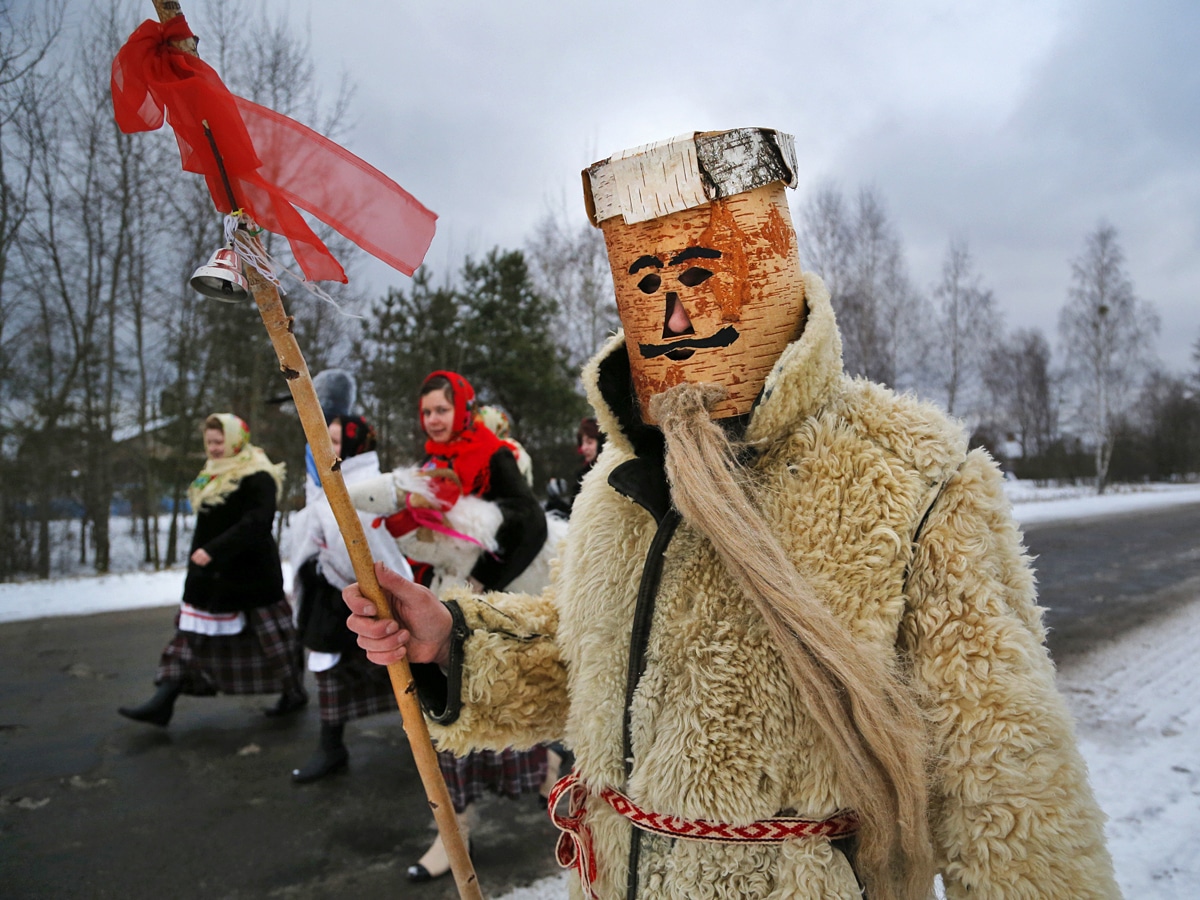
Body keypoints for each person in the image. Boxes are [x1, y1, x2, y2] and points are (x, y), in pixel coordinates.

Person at [344, 129, 1117, 899]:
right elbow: (591, 669)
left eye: (699, 274)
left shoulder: (914, 478)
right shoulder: (620, 480)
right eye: (646, 286)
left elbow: (1007, 783)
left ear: (771, 264)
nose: (674, 319)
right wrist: (454, 648)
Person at [404, 371, 550, 882]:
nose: (434, 420)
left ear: (462, 408)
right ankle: (453, 833)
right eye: (426, 412)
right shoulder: (431, 464)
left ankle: (546, 775)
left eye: (441, 410)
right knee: (441, 716)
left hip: (480, 603)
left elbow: (530, 520)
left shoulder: (492, 455)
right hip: (437, 599)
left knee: (497, 702)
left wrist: (485, 583)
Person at [119, 413, 306, 727]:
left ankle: (293, 692)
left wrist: (214, 550)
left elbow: (257, 523)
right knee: (190, 636)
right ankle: (163, 699)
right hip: (209, 577)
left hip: (250, 575)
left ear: (236, 440)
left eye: (220, 442)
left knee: (275, 642)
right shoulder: (211, 473)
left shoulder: (257, 474)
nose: (215, 448)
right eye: (210, 442)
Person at [288, 414, 415, 783]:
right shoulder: (323, 483)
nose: (326, 447)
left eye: (337, 441)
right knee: (331, 671)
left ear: (358, 445)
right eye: (323, 439)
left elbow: (377, 553)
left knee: (399, 670)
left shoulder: (364, 489)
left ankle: (431, 740)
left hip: (354, 597)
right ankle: (331, 747)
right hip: (325, 599)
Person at [545, 417, 603, 517]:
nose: (584, 448)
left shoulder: (605, 476)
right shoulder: (583, 474)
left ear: (600, 444)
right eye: (582, 443)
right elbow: (575, 514)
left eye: (589, 442)